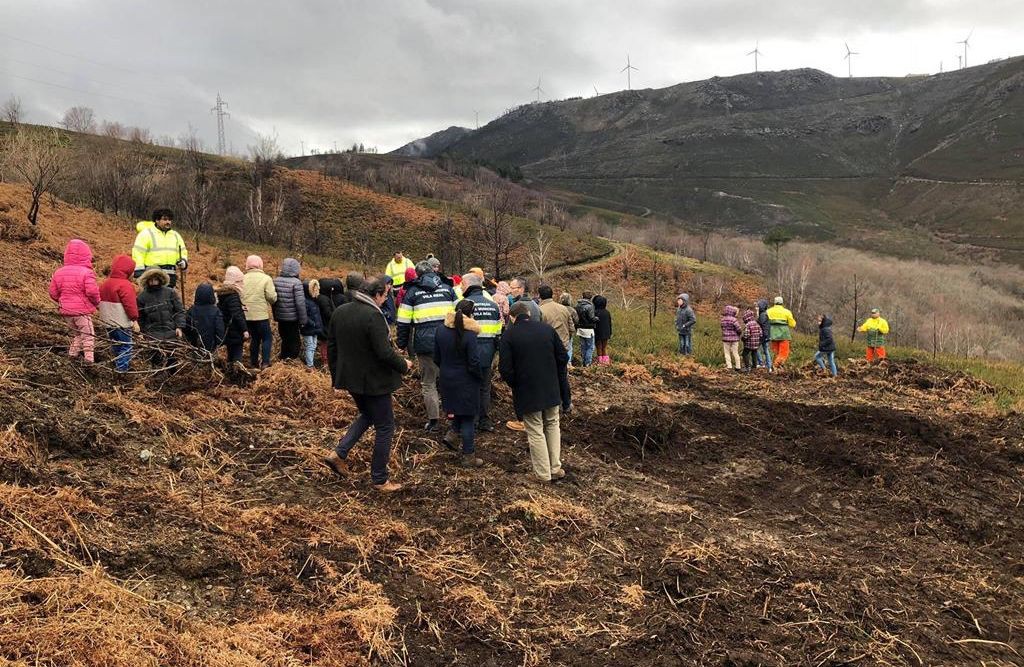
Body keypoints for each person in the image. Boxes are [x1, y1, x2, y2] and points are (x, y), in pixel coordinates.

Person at [323, 275, 412, 493]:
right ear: (377, 294)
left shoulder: (340, 311)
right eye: (384, 296)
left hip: (350, 379)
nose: (384, 300)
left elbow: (332, 347)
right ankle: (380, 479)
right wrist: (404, 365)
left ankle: (339, 453)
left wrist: (336, 378)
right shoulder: (373, 315)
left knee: (368, 415)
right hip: (374, 381)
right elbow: (384, 352)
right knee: (385, 426)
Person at [499, 301, 570, 483]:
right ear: (529, 314)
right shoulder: (546, 329)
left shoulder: (509, 335)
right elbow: (563, 356)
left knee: (535, 430)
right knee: (553, 424)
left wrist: (516, 383)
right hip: (551, 386)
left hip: (527, 390)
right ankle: (555, 467)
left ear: (513, 317)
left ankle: (542, 474)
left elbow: (505, 368)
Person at [396, 260, 457, 432]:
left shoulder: (412, 292)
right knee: (450, 379)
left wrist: (402, 344)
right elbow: (460, 316)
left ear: (418, 275)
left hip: (425, 344)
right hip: (449, 342)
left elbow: (403, 322)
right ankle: (453, 416)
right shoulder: (448, 289)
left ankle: (434, 421)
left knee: (428, 383)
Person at [434, 300, 484, 467]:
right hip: (466, 380)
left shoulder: (441, 330)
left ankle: (452, 434)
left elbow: (436, 357)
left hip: (447, 378)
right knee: (469, 417)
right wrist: (479, 376)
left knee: (457, 409)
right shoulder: (470, 335)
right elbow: (474, 361)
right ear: (471, 314)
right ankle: (469, 456)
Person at [460, 272, 503, 432]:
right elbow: (499, 332)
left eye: (463, 284)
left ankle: (473, 419)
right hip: (488, 352)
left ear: (470, 285)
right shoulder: (492, 305)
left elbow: (457, 332)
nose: (461, 287)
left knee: (470, 386)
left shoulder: (462, 304)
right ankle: (485, 419)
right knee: (485, 387)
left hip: (469, 353)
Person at [49, 239, 101, 364]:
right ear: (86, 256)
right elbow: (92, 292)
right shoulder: (87, 273)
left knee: (77, 334)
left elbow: (53, 293)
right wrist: (96, 302)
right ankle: (89, 360)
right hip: (82, 312)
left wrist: (64, 301)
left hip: (67, 312)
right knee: (88, 336)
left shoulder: (59, 272)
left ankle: (72, 355)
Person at [98, 254, 139, 372]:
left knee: (116, 344)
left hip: (107, 321)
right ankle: (121, 369)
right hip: (121, 322)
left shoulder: (105, 283)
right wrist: (134, 319)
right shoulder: (125, 285)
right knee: (126, 345)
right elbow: (130, 305)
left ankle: (116, 364)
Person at [136, 266, 185, 366]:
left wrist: (179, 327)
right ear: (147, 280)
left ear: (160, 279)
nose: (153, 282)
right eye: (151, 279)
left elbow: (179, 310)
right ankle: (157, 379)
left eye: (155, 279)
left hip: (171, 332)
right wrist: (142, 332)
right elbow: (140, 317)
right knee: (156, 361)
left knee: (172, 360)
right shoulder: (142, 297)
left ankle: (172, 377)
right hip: (153, 334)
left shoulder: (170, 292)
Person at [131, 208, 188, 288]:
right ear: (157, 220)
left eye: (169, 220)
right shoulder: (146, 234)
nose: (168, 222)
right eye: (165, 219)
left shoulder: (176, 236)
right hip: (152, 277)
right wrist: (139, 271)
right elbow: (138, 253)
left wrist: (183, 261)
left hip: (170, 277)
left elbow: (183, 252)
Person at [242, 255, 277, 369]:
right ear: (260, 265)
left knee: (255, 339)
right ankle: (265, 363)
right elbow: (272, 298)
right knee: (267, 338)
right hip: (261, 315)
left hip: (246, 315)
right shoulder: (266, 279)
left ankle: (253, 363)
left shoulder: (242, 278)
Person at [272, 258, 307, 361]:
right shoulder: (296, 283)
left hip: (281, 318)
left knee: (285, 339)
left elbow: (274, 300)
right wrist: (303, 320)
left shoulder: (275, 281)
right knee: (295, 341)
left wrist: (275, 315)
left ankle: (283, 359)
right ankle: (291, 361)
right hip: (293, 319)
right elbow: (300, 303)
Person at [217, 266, 249, 365]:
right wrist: (244, 330)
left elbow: (228, 309)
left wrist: (240, 308)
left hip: (227, 328)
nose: (242, 284)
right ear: (235, 282)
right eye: (240, 281)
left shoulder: (223, 294)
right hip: (234, 330)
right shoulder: (233, 295)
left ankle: (230, 369)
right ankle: (236, 372)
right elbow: (237, 314)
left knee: (230, 352)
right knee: (237, 352)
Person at [184, 283, 226, 354]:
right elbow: (220, 329)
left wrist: (190, 340)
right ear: (212, 295)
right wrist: (219, 342)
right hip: (211, 345)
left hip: (194, 345)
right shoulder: (216, 311)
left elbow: (186, 328)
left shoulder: (191, 310)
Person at [765, 296, 796, 368]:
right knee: (784, 353)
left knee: (776, 352)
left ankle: (776, 366)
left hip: (773, 334)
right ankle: (775, 366)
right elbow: (792, 324)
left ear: (774, 302)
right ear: (782, 303)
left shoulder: (768, 311)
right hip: (784, 335)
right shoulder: (787, 312)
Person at [301, 279, 324, 369]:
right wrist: (312, 323)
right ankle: (310, 365)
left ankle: (310, 362)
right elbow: (304, 315)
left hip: (314, 328)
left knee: (313, 346)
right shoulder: (306, 302)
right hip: (309, 328)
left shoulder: (313, 301)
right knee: (310, 346)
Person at [574, 291, 598, 367]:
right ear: (590, 297)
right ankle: (588, 363)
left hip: (580, 328)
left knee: (583, 346)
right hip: (588, 328)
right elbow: (591, 318)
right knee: (590, 347)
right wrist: (597, 318)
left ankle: (583, 361)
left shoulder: (577, 305)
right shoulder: (590, 306)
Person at [558, 292, 579, 363]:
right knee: (569, 347)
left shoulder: (558, 308)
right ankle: (568, 362)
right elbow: (576, 321)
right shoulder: (572, 310)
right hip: (569, 332)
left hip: (559, 330)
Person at [720, 305, 743, 371]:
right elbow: (739, 329)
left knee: (727, 353)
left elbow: (722, 328)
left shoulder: (723, 319)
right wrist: (738, 334)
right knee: (735, 352)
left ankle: (729, 366)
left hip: (726, 339)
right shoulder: (734, 319)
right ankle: (738, 366)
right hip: (735, 339)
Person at [594, 294, 613, 365]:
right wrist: (610, 332)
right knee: (604, 348)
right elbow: (609, 323)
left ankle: (600, 363)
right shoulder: (607, 312)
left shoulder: (595, 312)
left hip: (598, 333)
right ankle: (605, 362)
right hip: (606, 333)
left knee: (599, 347)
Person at [756, 299, 773, 372]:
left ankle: (762, 363)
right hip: (766, 335)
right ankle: (769, 366)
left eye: (758, 306)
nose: (757, 307)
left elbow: (761, 325)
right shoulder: (765, 314)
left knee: (757, 348)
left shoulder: (762, 315)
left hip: (763, 336)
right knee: (766, 350)